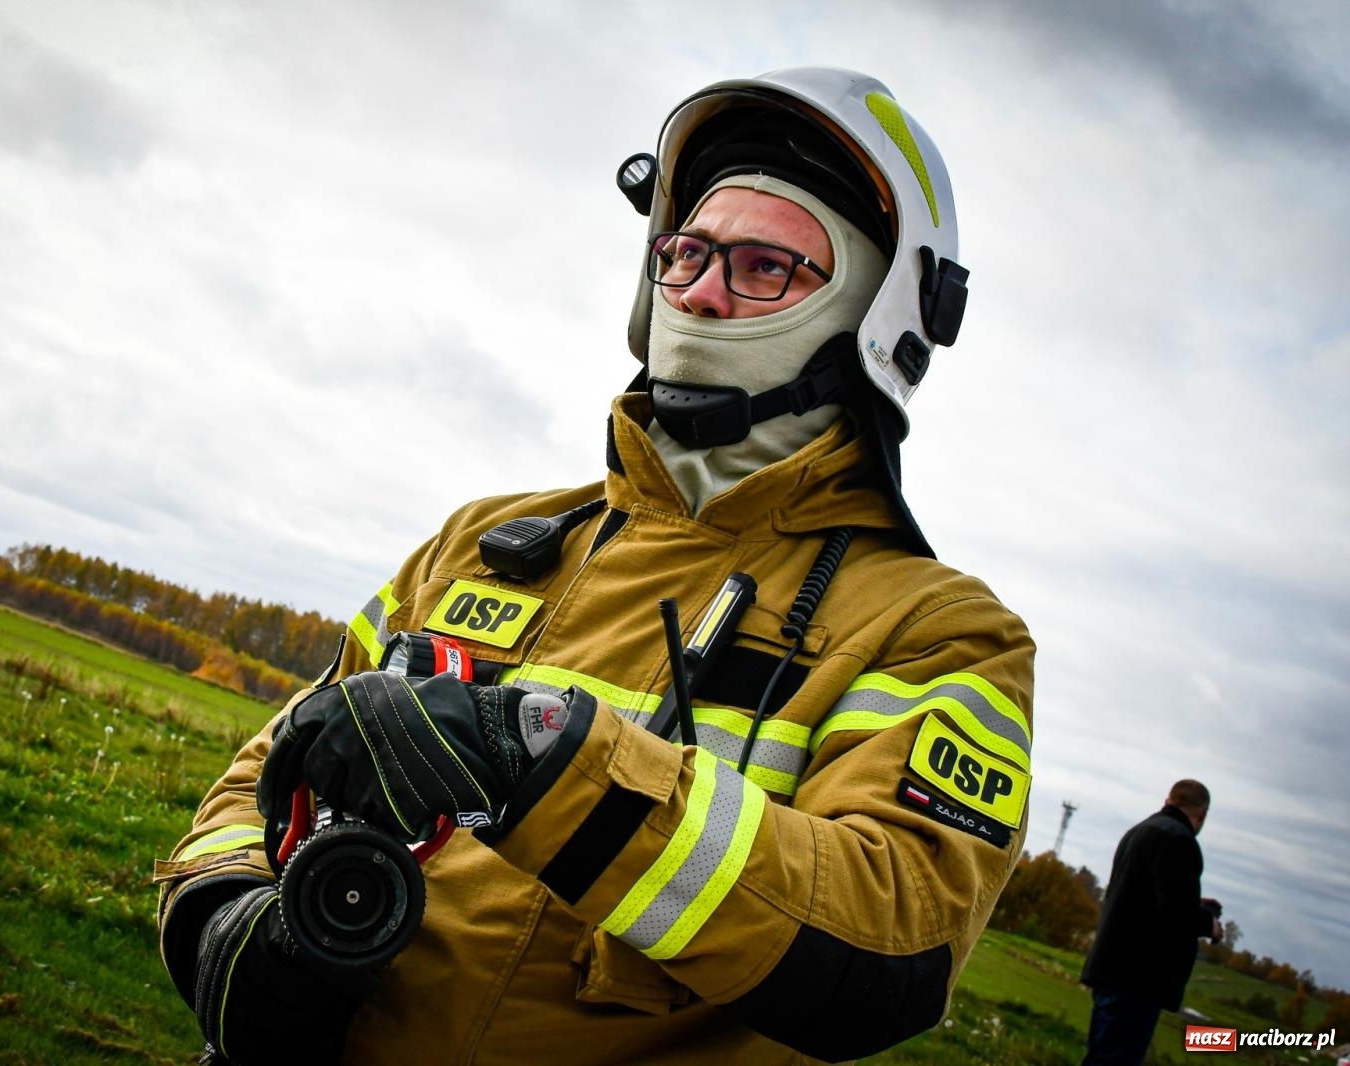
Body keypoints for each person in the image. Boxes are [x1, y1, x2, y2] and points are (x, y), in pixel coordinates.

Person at [155, 67, 1036, 1064]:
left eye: (763, 267)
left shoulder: (939, 631)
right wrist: (222, 912)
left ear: (875, 322)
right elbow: (263, 770)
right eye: (686, 252)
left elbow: (891, 946)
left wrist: (533, 753)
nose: (701, 290)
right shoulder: (480, 539)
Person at [1080, 780, 1223, 1065]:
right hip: (1139, 977)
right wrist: (1209, 924)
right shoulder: (1179, 840)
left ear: (1168, 799)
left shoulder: (1140, 831)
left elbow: (1142, 898)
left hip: (1111, 965)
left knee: (1101, 1056)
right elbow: (1174, 911)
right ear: (1202, 815)